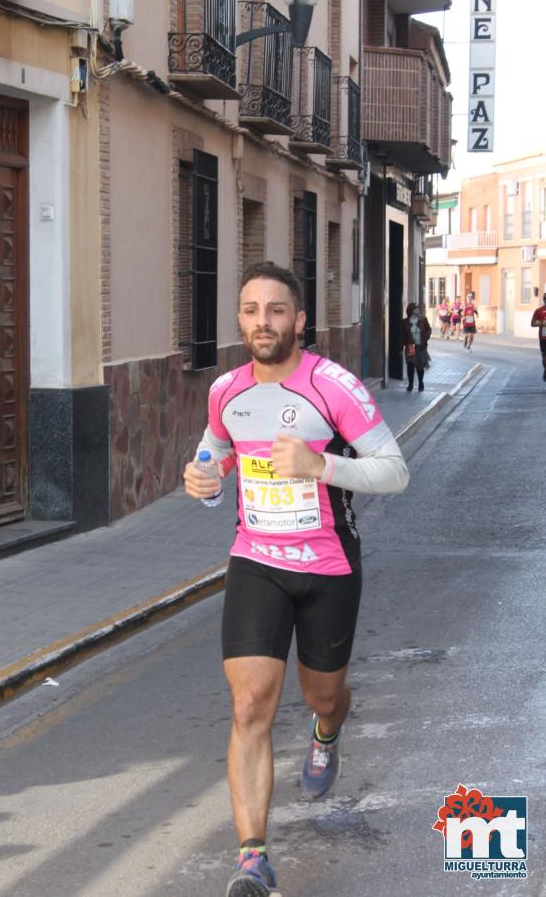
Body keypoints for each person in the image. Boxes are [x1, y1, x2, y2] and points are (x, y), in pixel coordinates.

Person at [183, 262, 409, 897]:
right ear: (240, 319)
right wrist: (202, 483)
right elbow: (214, 457)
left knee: (323, 694)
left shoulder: (332, 387)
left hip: (330, 568)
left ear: (299, 320)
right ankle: (252, 858)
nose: (263, 321)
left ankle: (328, 730)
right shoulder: (225, 391)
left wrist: (320, 464)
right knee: (249, 702)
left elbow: (394, 472)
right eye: (251, 309)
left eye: (276, 310)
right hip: (256, 561)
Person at [402, 301, 432, 392]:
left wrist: (425, 338)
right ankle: (410, 384)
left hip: (421, 346)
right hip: (410, 346)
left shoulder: (423, 320)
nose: (418, 310)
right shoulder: (405, 322)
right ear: (411, 310)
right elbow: (402, 336)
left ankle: (420, 383)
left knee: (420, 366)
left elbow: (428, 330)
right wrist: (401, 347)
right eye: (416, 308)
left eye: (418, 308)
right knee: (410, 365)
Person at [530, 291, 546, 381]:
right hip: (543, 339)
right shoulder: (539, 311)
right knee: (545, 359)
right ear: (544, 300)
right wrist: (542, 323)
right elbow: (532, 323)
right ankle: (545, 368)